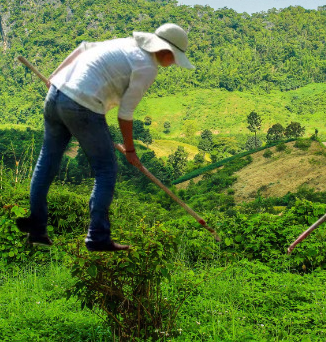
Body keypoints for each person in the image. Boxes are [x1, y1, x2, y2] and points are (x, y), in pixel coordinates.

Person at [16, 23, 195, 251]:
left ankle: (37, 228)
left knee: (47, 161)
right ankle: (97, 237)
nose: (173, 64)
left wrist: (55, 76)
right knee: (106, 169)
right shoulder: (147, 67)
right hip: (82, 105)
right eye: (175, 58)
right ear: (166, 51)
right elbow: (125, 114)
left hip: (56, 94)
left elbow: (83, 47)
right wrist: (131, 151)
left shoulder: (125, 43)